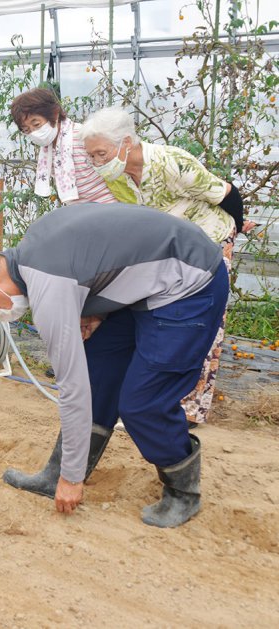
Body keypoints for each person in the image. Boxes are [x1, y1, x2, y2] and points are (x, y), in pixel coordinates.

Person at [0, 204, 229, 528]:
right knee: (98, 373)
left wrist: (72, 478)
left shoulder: (49, 288)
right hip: (154, 281)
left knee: (142, 403)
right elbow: (105, 257)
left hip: (189, 284)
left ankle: (183, 493)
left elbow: (72, 388)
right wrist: (92, 308)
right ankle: (55, 472)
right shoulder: (31, 246)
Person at [80, 107, 254, 425]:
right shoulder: (116, 177)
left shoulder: (171, 163)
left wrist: (237, 228)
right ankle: (141, 401)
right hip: (169, 250)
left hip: (209, 243)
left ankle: (187, 411)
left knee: (201, 325)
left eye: (101, 154)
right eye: (91, 156)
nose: (96, 163)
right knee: (154, 318)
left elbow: (228, 194)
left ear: (127, 142)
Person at [10, 88, 116, 205]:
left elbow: (114, 169)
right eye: (27, 130)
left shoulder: (82, 135)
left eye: (36, 124)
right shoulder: (49, 149)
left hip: (106, 207)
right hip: (79, 212)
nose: (34, 132)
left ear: (54, 114)